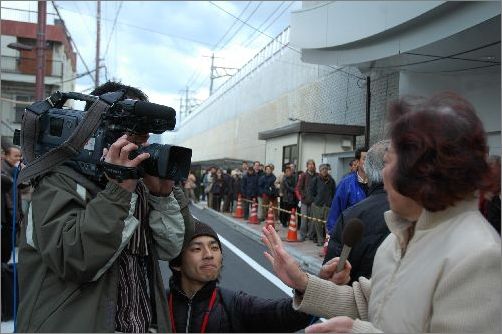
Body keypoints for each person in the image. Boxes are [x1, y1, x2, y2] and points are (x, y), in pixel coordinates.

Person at [262, 92, 501, 333]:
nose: (379, 175)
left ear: (425, 170)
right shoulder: (400, 238)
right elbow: (365, 301)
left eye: (388, 162)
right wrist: (303, 281)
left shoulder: (478, 256)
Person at [16, 81, 194, 332]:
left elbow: (173, 249)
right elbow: (75, 259)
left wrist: (163, 196)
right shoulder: (58, 181)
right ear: (98, 130)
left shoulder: (140, 185)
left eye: (144, 138)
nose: (140, 148)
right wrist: (118, 192)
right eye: (131, 136)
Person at [167, 221, 312, 332]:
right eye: (197, 249)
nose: (209, 255)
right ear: (176, 263)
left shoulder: (233, 304)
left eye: (214, 247)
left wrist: (304, 286)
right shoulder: (154, 304)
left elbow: (287, 316)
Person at [323, 140, 391, 283]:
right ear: (359, 163)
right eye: (363, 158)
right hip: (354, 282)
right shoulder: (346, 184)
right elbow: (335, 214)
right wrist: (329, 236)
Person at [326, 147, 368, 235]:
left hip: (369, 235)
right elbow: (335, 210)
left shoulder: (376, 183)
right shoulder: (346, 183)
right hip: (349, 234)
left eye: (370, 159)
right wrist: (331, 234)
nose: (368, 162)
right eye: (364, 159)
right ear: (357, 162)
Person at [1, 145, 24, 263]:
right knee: (4, 252)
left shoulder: (15, 171)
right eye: (15, 156)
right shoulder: (4, 171)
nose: (18, 159)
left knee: (8, 250)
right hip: (6, 218)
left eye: (20, 156)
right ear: (6, 156)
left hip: (13, 217)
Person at [309, 164, 336, 246]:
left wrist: (331, 202)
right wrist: (315, 200)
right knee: (317, 224)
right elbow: (311, 192)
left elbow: (334, 192)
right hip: (318, 205)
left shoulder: (331, 180)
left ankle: (327, 242)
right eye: (322, 169)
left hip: (328, 205)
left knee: (327, 224)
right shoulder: (315, 180)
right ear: (320, 171)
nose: (324, 170)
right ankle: (320, 240)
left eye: (326, 169)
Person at [295, 159, 318, 241]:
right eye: (309, 164)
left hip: (313, 202)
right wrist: (302, 197)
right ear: (307, 166)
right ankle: (302, 235)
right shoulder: (303, 175)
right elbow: (298, 188)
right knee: (304, 219)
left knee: (313, 220)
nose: (311, 166)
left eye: (313, 164)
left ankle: (311, 235)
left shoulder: (317, 175)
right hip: (304, 201)